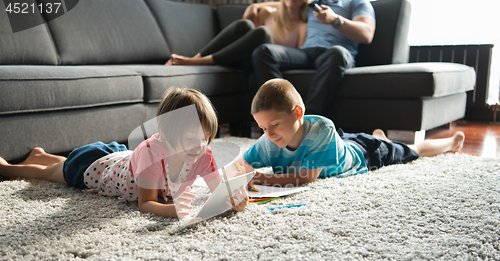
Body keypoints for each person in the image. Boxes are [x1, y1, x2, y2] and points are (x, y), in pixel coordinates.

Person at [0, 87, 248, 219]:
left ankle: (39, 153)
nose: (200, 145)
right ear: (165, 133)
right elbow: (146, 204)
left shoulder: (202, 154)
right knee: (57, 172)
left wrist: (233, 199)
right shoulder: (153, 155)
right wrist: (171, 211)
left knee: (62, 161)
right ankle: (9, 168)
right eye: (191, 138)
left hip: (125, 158)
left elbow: (218, 189)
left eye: (206, 138)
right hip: (97, 166)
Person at [237, 79, 465, 187]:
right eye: (263, 128)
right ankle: (381, 136)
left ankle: (451, 142)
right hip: (338, 145)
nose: (269, 134)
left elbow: (307, 178)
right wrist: (235, 177)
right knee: (356, 141)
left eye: (274, 125)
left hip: (364, 152)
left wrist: (258, 178)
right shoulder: (269, 139)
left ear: (298, 113)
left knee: (409, 151)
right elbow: (242, 162)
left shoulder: (322, 128)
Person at [248, 0, 375, 117]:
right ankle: (281, 113)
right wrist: (256, 5)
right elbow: (284, 3)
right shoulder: (313, 2)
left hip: (334, 54)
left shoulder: (357, 3)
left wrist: (335, 20)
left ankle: (308, 119)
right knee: (264, 51)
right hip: (306, 53)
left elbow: (367, 34)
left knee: (337, 52)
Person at [166, 0, 308, 70]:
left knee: (263, 32)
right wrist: (254, 6)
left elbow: (297, 55)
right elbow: (250, 39)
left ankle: (198, 62)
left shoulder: (304, 25)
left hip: (260, 62)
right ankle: (196, 58)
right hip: (238, 55)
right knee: (245, 25)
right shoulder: (268, 12)